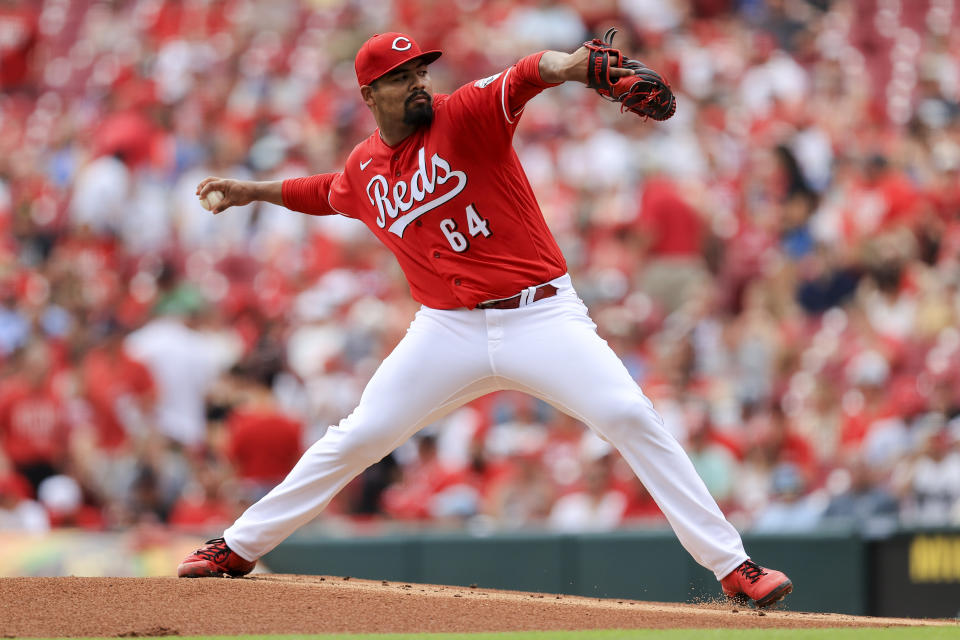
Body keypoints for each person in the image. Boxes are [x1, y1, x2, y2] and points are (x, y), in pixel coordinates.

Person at [177, 31, 793, 608]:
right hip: (447, 330)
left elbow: (530, 73)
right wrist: (252, 191)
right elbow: (326, 191)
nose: (418, 82)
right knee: (359, 436)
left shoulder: (464, 113)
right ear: (368, 95)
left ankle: (733, 567)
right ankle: (236, 547)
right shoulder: (365, 169)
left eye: (420, 69)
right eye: (400, 76)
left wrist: (578, 66)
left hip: (541, 316)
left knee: (631, 416)